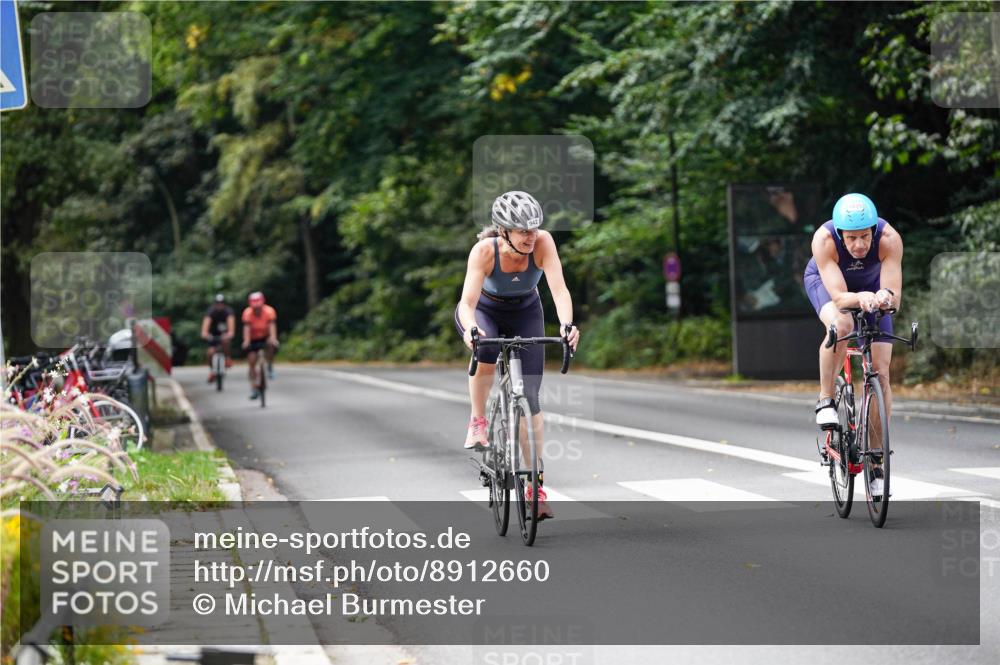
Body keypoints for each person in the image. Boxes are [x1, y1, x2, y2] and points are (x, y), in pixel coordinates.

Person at [454, 191, 580, 521]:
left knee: (531, 398)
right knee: (487, 348)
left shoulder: (543, 243)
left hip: (526, 310)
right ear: (504, 230)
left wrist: (567, 325)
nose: (530, 237)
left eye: (534, 229)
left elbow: (559, 290)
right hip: (485, 311)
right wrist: (471, 329)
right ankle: (478, 419)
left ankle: (535, 486)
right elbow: (466, 303)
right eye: (523, 231)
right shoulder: (484, 251)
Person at [803, 193, 902, 496]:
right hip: (830, 286)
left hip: (871, 289)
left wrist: (885, 298)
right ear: (840, 234)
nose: (859, 245)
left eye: (864, 237)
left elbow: (893, 294)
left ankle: (876, 464)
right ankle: (825, 398)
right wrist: (861, 298)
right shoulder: (824, 240)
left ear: (873, 231)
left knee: (881, 373)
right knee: (842, 325)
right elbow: (839, 298)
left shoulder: (888, 239)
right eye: (852, 238)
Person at [241, 291, 278, 400]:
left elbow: (272, 326)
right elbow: (246, 328)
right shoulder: (247, 313)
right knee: (251, 362)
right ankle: (253, 388)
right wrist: (246, 341)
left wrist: (273, 339)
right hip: (252, 339)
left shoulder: (269, 311)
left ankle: (270, 366)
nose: (257, 309)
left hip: (265, 337)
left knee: (271, 344)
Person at [200, 294, 235, 382]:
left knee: (226, 341)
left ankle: (227, 358)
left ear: (224, 304)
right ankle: (212, 371)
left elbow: (231, 328)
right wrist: (205, 334)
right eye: (218, 303)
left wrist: (229, 334)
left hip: (224, 335)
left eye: (221, 303)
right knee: (210, 353)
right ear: (215, 304)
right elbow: (205, 328)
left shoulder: (228, 312)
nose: (220, 305)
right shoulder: (211, 312)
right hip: (213, 336)